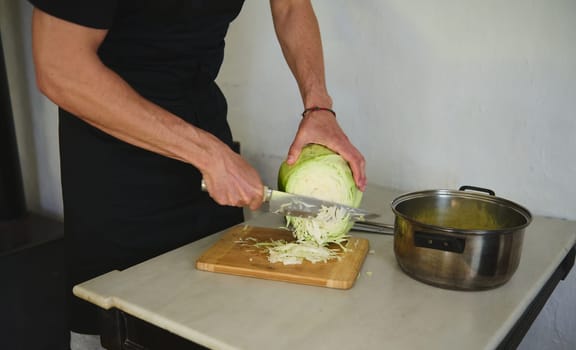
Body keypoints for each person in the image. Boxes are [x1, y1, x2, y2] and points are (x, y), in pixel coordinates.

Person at [29, 0, 367, 346]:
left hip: (206, 141)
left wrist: (317, 106)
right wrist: (206, 153)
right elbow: (59, 66)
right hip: (117, 165)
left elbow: (291, 7)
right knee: (128, 326)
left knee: (219, 319)